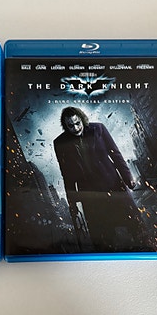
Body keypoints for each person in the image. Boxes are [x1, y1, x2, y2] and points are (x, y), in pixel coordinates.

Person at [53, 107, 145, 251]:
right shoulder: (60, 143)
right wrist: (72, 203)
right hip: (90, 195)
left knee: (135, 227)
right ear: (65, 125)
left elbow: (115, 154)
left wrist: (128, 178)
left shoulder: (98, 129)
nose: (75, 128)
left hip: (113, 186)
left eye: (77, 123)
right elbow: (66, 174)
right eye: (70, 125)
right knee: (103, 239)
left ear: (82, 119)